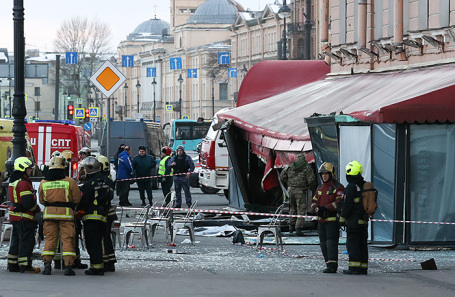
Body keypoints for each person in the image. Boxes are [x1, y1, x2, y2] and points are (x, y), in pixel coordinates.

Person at [39, 156, 81, 276]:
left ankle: (47, 266)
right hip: (66, 215)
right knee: (67, 239)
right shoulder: (70, 182)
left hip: (49, 215)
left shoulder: (43, 183)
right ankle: (68, 266)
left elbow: (41, 200)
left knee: (50, 239)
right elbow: (77, 198)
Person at [77, 157, 113, 275]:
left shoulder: (88, 185)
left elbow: (83, 201)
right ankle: (100, 265)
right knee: (99, 242)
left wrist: (78, 209)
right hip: (103, 216)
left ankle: (96, 268)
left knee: (92, 243)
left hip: (91, 217)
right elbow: (109, 198)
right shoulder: (104, 181)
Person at [7, 157, 41, 273]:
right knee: (26, 241)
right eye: (29, 169)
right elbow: (27, 202)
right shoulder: (23, 183)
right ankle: (25, 265)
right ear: (22, 168)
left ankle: (12, 264)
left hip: (15, 216)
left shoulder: (14, 180)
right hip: (24, 217)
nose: (30, 171)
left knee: (16, 241)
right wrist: (36, 209)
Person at [310, 162, 345, 273]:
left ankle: (332, 265)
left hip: (332, 221)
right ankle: (327, 263)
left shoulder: (338, 187)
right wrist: (316, 209)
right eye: (322, 174)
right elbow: (313, 202)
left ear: (331, 174)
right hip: (321, 221)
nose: (324, 176)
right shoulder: (319, 188)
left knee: (331, 243)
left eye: (326, 174)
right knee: (323, 244)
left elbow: (339, 202)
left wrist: (326, 208)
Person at [339, 160, 369, 275]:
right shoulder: (364, 185)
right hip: (364, 222)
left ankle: (354, 268)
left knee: (353, 244)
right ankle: (363, 267)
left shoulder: (351, 187)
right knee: (362, 245)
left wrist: (341, 220)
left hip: (353, 222)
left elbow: (347, 205)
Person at [279, 153, 317, 236]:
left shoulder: (290, 166)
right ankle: (298, 228)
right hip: (301, 191)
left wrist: (288, 184)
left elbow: (282, 177)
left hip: (290, 190)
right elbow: (311, 180)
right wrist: (312, 188)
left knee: (293, 208)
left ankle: (291, 227)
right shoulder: (307, 167)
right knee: (301, 209)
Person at [96, 155, 117, 272]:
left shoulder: (106, 179)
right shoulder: (106, 177)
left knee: (104, 238)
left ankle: (107, 262)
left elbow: (108, 196)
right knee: (106, 237)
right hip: (107, 211)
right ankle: (109, 261)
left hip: (106, 212)